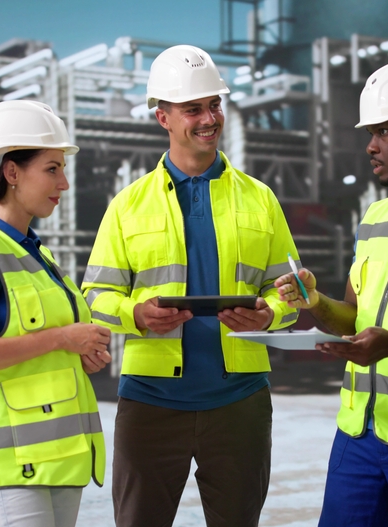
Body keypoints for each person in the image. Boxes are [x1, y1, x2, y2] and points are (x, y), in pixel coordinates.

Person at [81, 45, 301, 527]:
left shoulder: (260, 198)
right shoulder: (128, 205)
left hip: (240, 401)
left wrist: (269, 313)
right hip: (151, 402)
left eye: (214, 105)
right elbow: (95, 296)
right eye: (193, 109)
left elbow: (293, 290)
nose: (209, 118)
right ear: (163, 117)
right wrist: (136, 315)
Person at [274, 59, 388, 527]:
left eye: (383, 130)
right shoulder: (376, 216)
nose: (370, 145)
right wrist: (314, 304)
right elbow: (354, 317)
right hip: (358, 435)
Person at [0, 100, 110, 527]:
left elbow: (33, 351)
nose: (64, 183)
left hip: (59, 458)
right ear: (11, 172)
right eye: (52, 168)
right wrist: (61, 339)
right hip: (12, 466)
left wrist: (80, 354)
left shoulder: (36, 254)